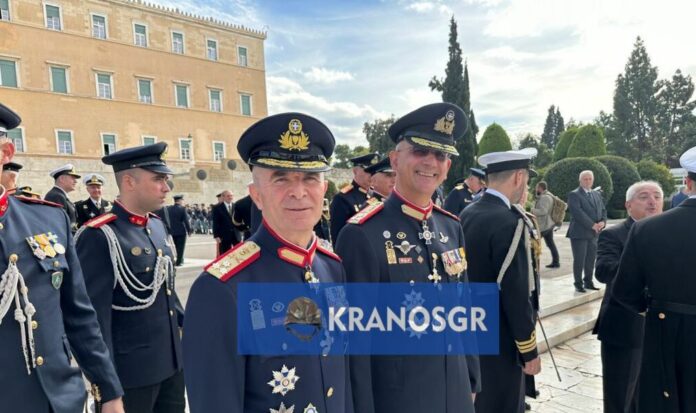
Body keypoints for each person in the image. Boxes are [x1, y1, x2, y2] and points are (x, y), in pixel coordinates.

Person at [183, 113, 354, 413]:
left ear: (324, 190)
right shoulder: (222, 288)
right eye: (281, 178)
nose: (298, 192)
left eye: (310, 178)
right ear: (257, 196)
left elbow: (341, 381)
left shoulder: (331, 267)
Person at [336, 103, 478, 413]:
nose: (430, 162)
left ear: (448, 166)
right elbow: (355, 343)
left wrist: (471, 379)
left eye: (440, 155)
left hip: (454, 391)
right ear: (395, 159)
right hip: (399, 399)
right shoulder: (362, 234)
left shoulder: (451, 226)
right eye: (420, 151)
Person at [0, 103, 125, 413]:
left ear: (5, 152)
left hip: (54, 399)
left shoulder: (47, 219)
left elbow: (78, 314)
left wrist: (109, 392)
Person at [75, 142, 185, 413]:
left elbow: (168, 293)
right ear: (129, 181)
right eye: (158, 179)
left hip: (171, 366)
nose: (166, 188)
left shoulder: (156, 225)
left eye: (166, 180)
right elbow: (91, 322)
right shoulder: (99, 236)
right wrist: (107, 389)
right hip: (130, 378)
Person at [611, 146, 696, 412]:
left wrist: (657, 302)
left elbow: (625, 292)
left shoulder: (647, 229)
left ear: (687, 183)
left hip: (666, 333)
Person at [459, 147, 542, 413]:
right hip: (501, 334)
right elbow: (515, 293)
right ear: (518, 177)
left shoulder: (468, 212)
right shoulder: (510, 221)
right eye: (526, 179)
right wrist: (528, 350)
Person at [593, 181, 663, 413]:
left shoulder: (669, 234)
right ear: (628, 205)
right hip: (625, 329)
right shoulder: (613, 235)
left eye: (657, 196)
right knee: (620, 397)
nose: (652, 202)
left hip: (660, 330)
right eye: (644, 197)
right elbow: (604, 271)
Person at [566, 170, 607, 293]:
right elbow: (577, 213)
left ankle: (588, 282)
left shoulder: (596, 194)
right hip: (579, 233)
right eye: (585, 179)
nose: (588, 181)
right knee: (579, 259)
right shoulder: (574, 194)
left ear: (593, 180)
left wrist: (603, 222)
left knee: (591, 259)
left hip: (594, 233)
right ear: (580, 180)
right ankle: (578, 283)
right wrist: (592, 225)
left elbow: (603, 210)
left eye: (590, 179)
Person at [329, 152, 380, 243]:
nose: (371, 175)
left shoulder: (376, 195)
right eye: (367, 171)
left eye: (374, 171)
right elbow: (338, 237)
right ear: (355, 171)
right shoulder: (342, 198)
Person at [531, 181, 560, 268]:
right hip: (548, 224)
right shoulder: (548, 195)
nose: (536, 189)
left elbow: (543, 211)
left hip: (544, 226)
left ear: (540, 188)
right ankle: (556, 262)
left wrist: (532, 210)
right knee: (550, 244)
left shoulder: (545, 198)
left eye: (537, 187)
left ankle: (534, 265)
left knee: (534, 244)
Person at [45, 163, 80, 232]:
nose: (76, 181)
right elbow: (59, 225)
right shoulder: (56, 196)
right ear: (62, 179)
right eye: (72, 178)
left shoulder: (60, 195)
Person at [163, 195, 192, 266]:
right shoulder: (182, 209)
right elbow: (186, 221)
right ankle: (179, 261)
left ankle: (180, 259)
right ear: (180, 201)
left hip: (173, 231)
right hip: (181, 231)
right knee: (181, 247)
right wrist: (189, 230)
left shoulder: (169, 209)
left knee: (176, 246)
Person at [212, 190, 241, 256]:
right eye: (228, 196)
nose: (230, 197)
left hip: (236, 235)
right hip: (224, 236)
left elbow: (240, 220)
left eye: (231, 196)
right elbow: (215, 223)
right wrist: (216, 235)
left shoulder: (236, 206)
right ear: (223, 197)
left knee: (238, 254)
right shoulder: (217, 208)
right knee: (225, 255)